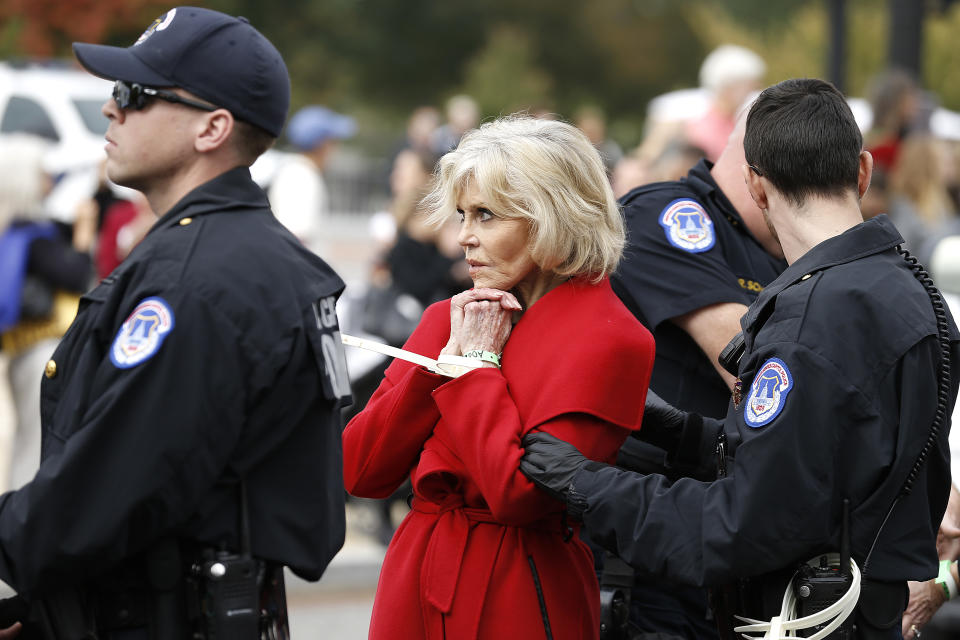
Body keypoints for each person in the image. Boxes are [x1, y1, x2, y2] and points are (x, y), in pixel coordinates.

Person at [522, 78, 960, 639]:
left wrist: (588, 484)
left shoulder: (810, 315)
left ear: (754, 184)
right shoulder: (913, 294)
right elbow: (827, 470)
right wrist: (689, 436)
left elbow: (738, 527)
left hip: (804, 617)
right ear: (864, 171)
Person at [0, 7, 351, 638]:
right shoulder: (259, 256)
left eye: (134, 95)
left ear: (212, 128)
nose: (111, 109)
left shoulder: (197, 278)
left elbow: (99, 497)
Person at [342, 115, 656, 639]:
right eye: (463, 215)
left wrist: (473, 370)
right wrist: (441, 361)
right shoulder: (450, 316)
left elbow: (520, 497)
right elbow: (362, 471)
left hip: (519, 588)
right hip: (415, 573)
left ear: (553, 217)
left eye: (486, 215)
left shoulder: (610, 337)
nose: (463, 237)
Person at [607, 110, 787, 640]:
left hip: (725, 548)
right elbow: (748, 359)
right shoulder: (672, 213)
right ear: (759, 172)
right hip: (650, 547)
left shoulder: (783, 248)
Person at [0, 134, 95, 491]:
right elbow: (75, 275)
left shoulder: (11, 232)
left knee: (29, 435)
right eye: (42, 173)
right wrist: (84, 232)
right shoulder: (33, 236)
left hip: (21, 349)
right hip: (41, 349)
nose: (49, 181)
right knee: (37, 441)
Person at [268, 104, 356, 255]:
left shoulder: (296, 170)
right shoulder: (302, 177)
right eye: (333, 142)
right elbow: (297, 241)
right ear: (323, 144)